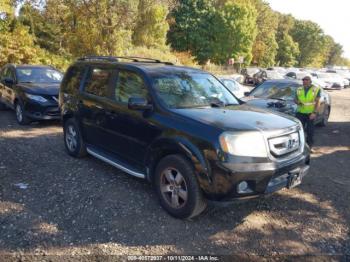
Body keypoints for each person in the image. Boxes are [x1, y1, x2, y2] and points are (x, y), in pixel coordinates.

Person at [295, 76, 321, 151]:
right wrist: (297, 102)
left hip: (310, 113)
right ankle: (299, 147)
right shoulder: (299, 89)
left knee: (310, 131)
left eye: (306, 80)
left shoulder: (316, 89)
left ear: (310, 81)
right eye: (303, 80)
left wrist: (314, 112)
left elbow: (318, 102)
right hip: (300, 112)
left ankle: (309, 147)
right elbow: (295, 99)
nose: (304, 81)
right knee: (299, 131)